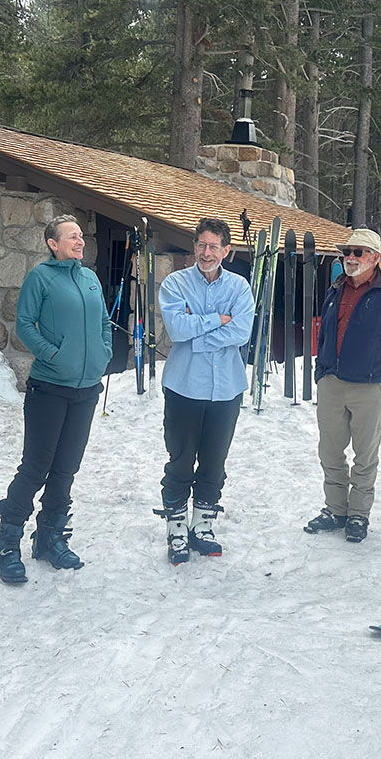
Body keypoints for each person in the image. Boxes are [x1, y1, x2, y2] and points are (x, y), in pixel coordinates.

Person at [0, 214, 112, 582]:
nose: (79, 242)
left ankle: (51, 537)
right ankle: (8, 541)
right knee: (35, 467)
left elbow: (104, 322)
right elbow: (25, 325)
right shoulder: (40, 277)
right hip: (50, 387)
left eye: (80, 237)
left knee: (66, 468)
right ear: (52, 244)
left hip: (86, 388)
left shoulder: (89, 278)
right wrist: (54, 355)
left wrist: (104, 352)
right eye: (71, 237)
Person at [155, 217, 255, 564]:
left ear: (227, 251)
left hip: (226, 389)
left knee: (214, 462)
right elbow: (178, 330)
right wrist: (219, 318)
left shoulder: (240, 288)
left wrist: (200, 330)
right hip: (185, 387)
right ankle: (177, 527)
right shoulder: (175, 284)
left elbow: (241, 333)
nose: (206, 252)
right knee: (181, 460)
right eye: (201, 244)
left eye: (214, 246)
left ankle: (203, 525)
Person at [303, 227, 381, 544]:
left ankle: (358, 516)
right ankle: (335, 510)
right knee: (330, 452)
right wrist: (321, 371)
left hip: (371, 389)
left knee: (365, 457)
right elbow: (324, 335)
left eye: (358, 253)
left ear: (375, 258)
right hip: (332, 384)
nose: (350, 258)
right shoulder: (335, 289)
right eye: (347, 252)